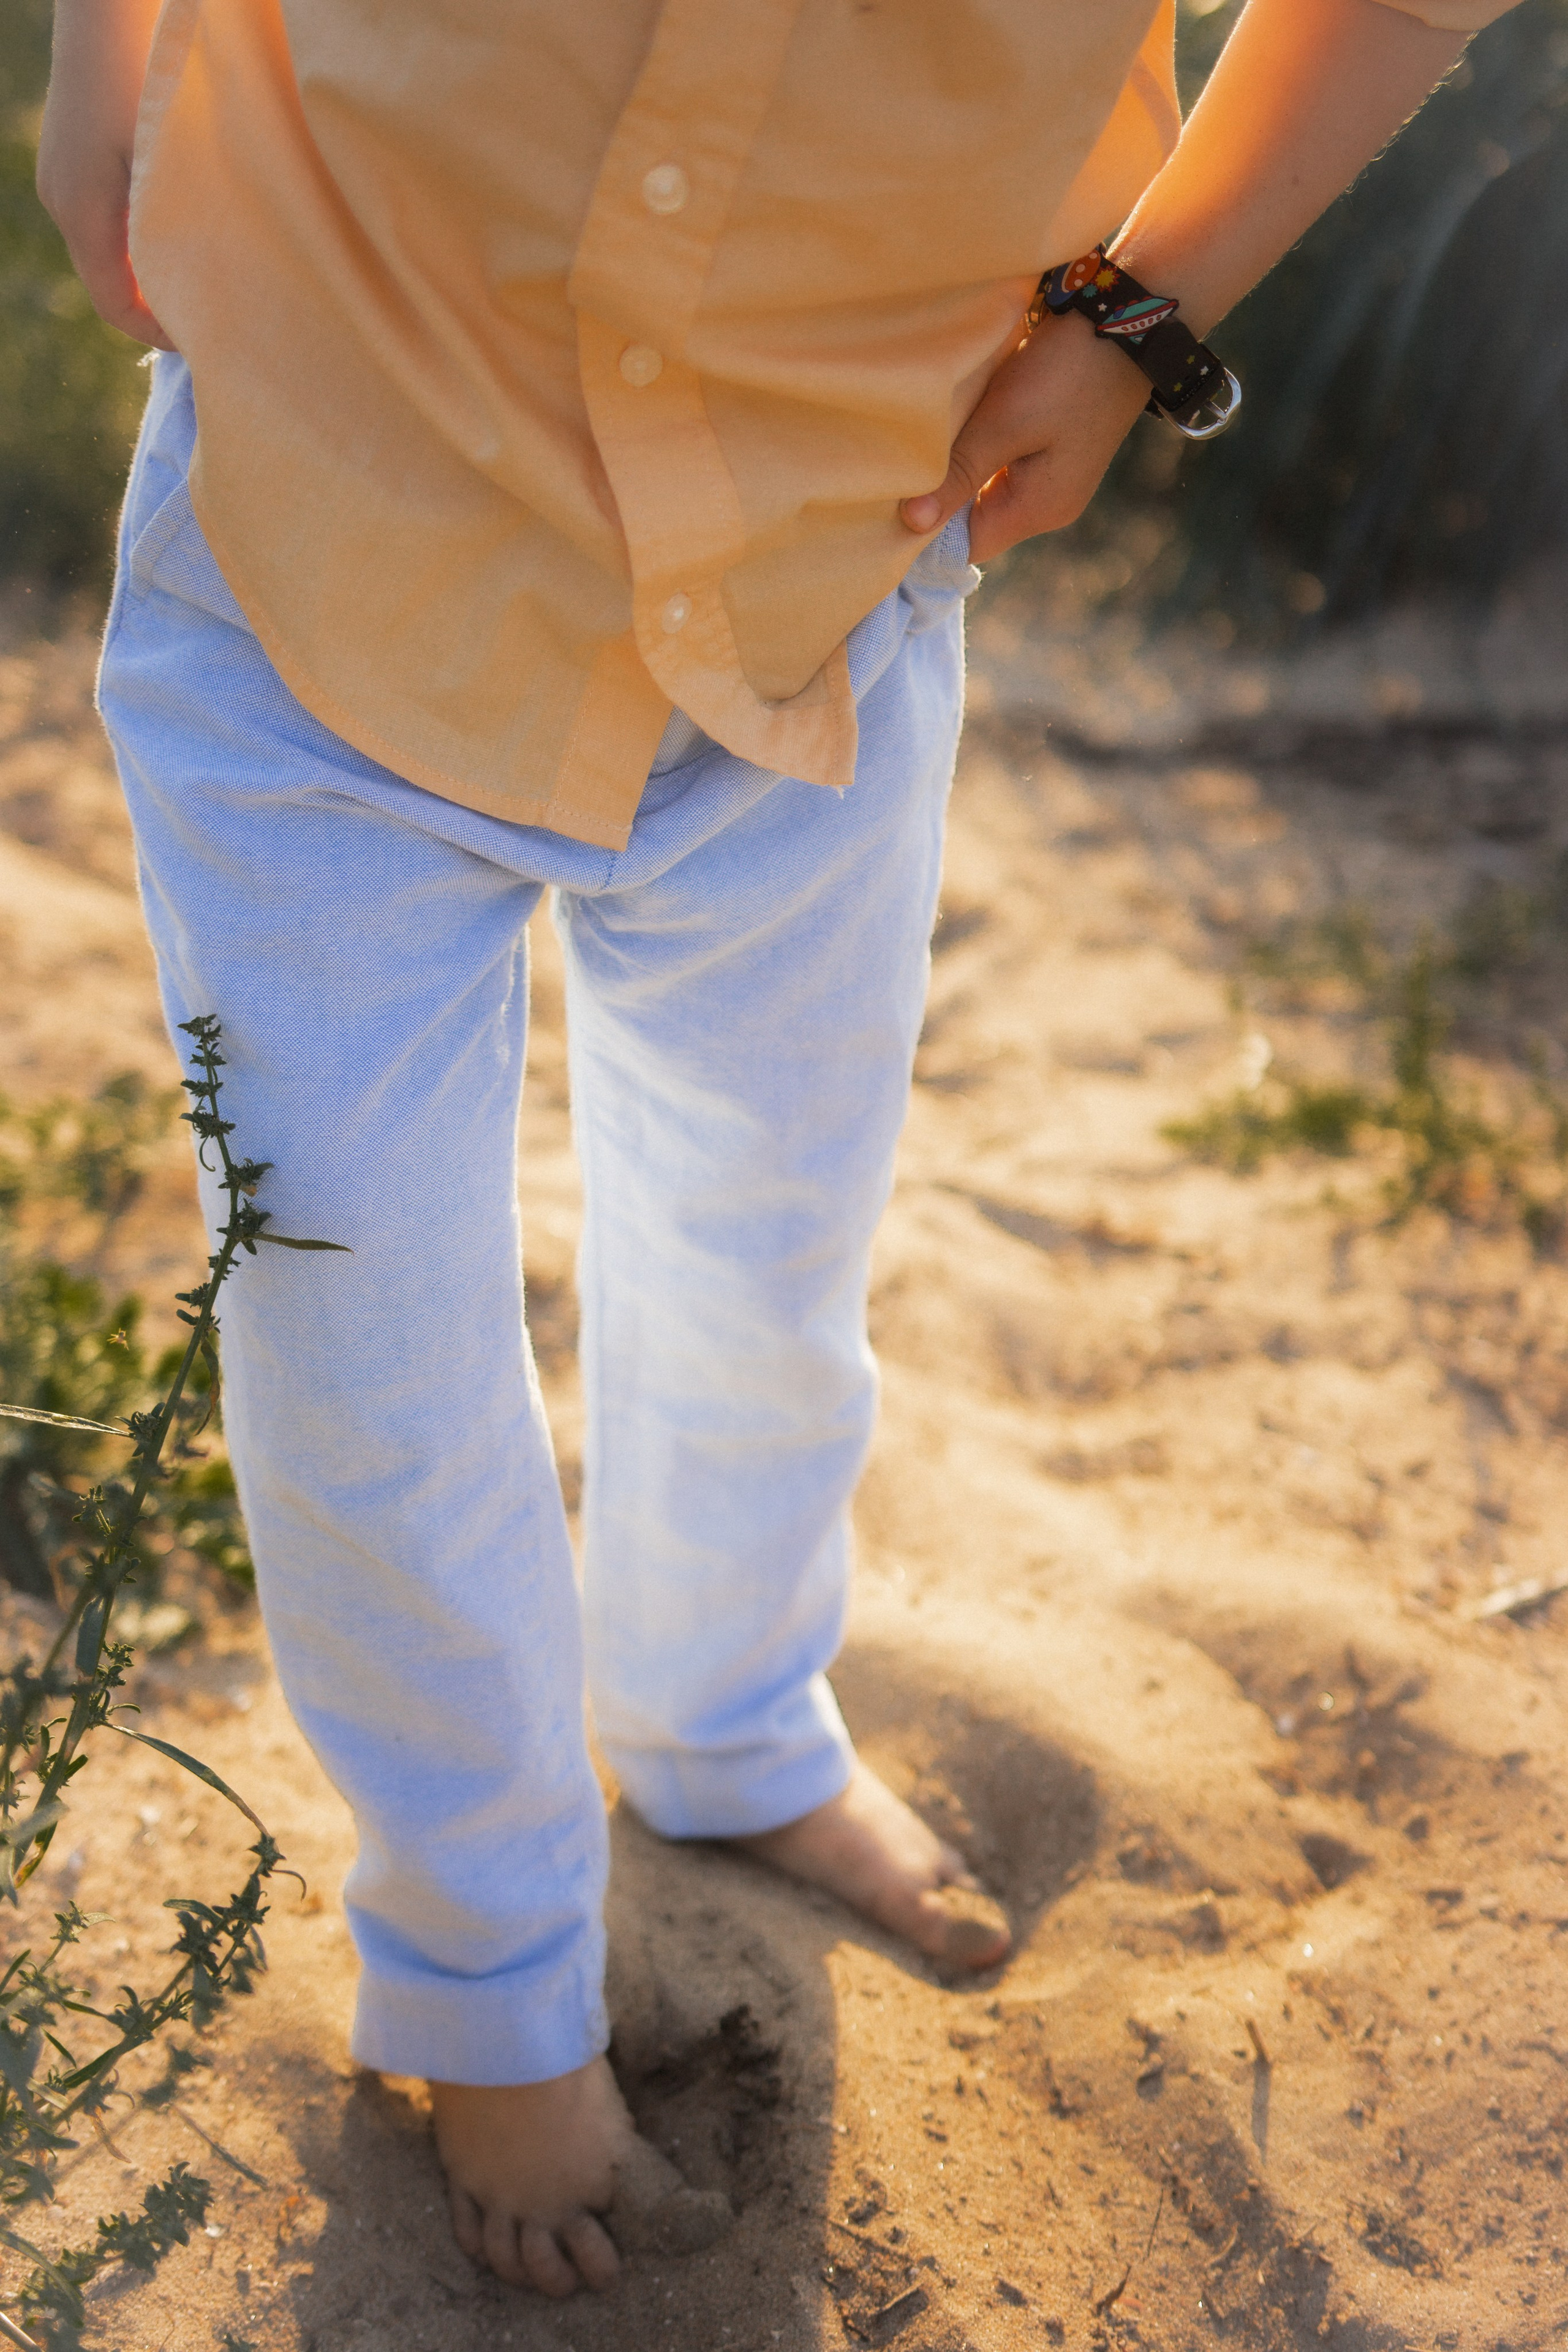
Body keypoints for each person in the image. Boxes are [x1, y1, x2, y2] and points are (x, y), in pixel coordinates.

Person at [39, 0, 1515, 2300]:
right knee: (352, 1320)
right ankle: (485, 1972)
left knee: (764, 1235)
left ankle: (722, 1718)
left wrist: (1151, 309)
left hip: (839, 533)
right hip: (323, 470)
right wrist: (95, 58)